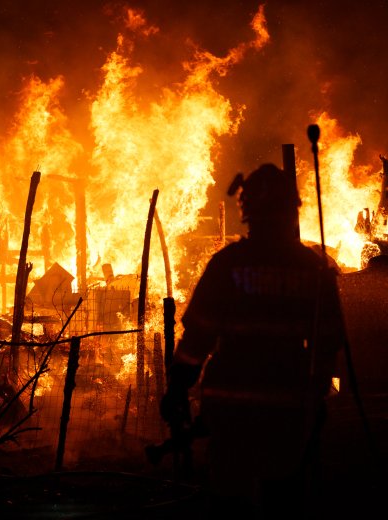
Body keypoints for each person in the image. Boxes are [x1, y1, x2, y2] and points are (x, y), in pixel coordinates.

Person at [161, 163, 345, 517]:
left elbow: (198, 336)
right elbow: (329, 340)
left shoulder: (227, 265)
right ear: (292, 209)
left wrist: (178, 389)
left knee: (231, 498)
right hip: (289, 405)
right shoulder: (313, 269)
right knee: (284, 496)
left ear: (247, 211)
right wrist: (318, 391)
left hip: (230, 404)